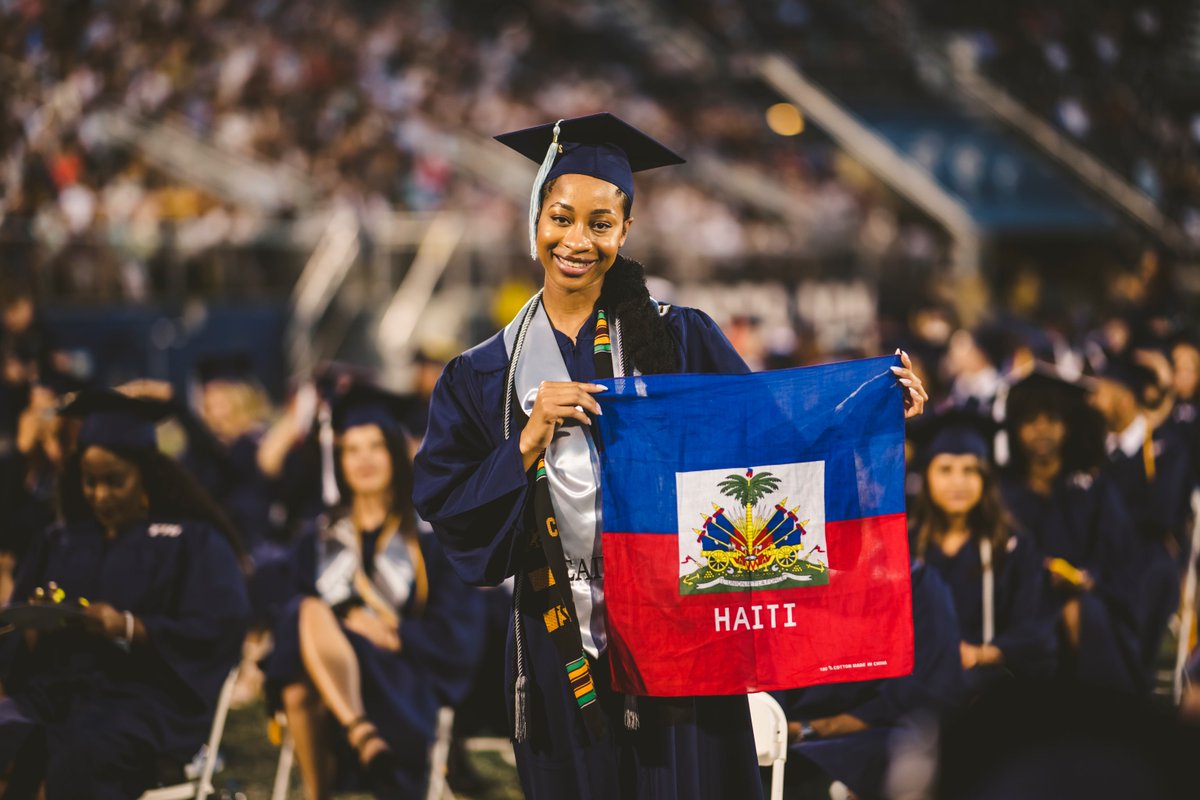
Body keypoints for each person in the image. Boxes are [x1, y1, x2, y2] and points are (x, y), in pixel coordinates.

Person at [412, 112, 928, 799]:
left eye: (601, 223)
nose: (578, 240)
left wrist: (873, 412)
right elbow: (450, 508)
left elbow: (773, 447)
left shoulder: (679, 341)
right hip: (556, 638)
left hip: (685, 635)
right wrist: (527, 442)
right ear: (534, 221)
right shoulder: (486, 374)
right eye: (561, 218)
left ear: (625, 232)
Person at [0, 389, 250, 799]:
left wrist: (130, 627)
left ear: (147, 477)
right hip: (56, 693)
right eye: (89, 482)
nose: (100, 495)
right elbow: (14, 637)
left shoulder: (192, 541)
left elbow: (217, 626)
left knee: (82, 753)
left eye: (115, 481)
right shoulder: (59, 541)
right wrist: (35, 627)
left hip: (144, 702)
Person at [263, 383, 484, 800]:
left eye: (375, 447)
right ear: (339, 461)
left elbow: (460, 630)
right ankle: (361, 736)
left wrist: (398, 635)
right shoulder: (318, 537)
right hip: (327, 686)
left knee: (300, 663)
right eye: (351, 450)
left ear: (395, 456)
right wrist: (347, 627)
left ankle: (320, 789)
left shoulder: (431, 538)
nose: (363, 460)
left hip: (401, 684)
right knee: (303, 618)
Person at [998, 369, 1142, 692]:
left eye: (1052, 419)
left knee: (1080, 612)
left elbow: (1119, 556)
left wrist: (1089, 577)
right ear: (1015, 428)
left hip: (1084, 601)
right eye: (1030, 420)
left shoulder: (1091, 488)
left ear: (1068, 426)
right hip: (1017, 602)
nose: (1041, 430)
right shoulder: (1003, 491)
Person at [777, 561, 963, 800]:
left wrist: (812, 728)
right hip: (794, 734)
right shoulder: (798, 581)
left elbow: (922, 694)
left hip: (876, 733)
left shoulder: (917, 583)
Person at [910, 409, 1056, 694]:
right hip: (914, 680)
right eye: (945, 470)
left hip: (986, 686)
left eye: (970, 470)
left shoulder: (1012, 547)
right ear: (926, 477)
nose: (958, 483)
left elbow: (1035, 634)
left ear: (985, 479)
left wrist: (978, 654)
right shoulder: (907, 543)